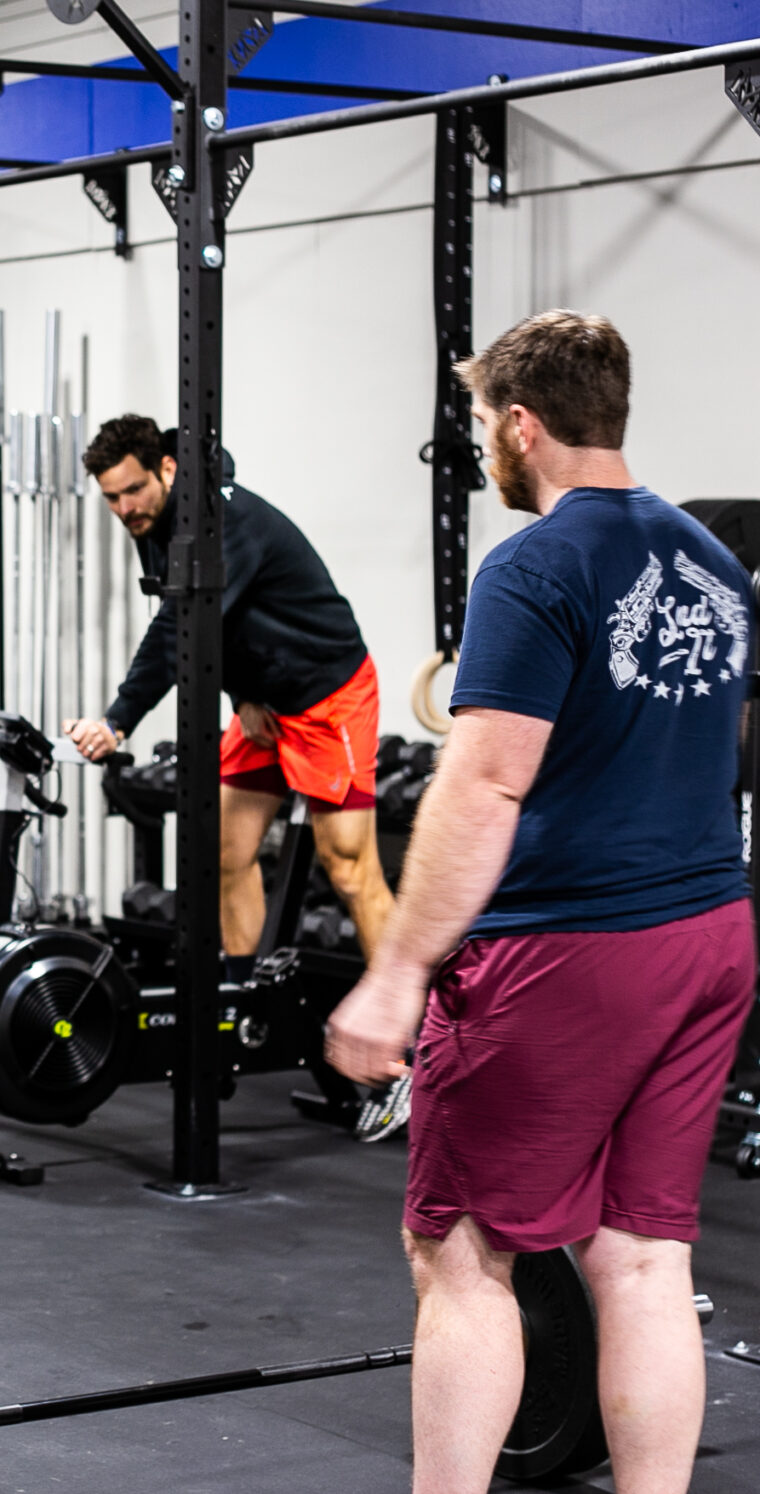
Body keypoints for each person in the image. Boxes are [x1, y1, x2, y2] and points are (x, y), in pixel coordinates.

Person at [325, 310, 755, 1494]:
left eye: (478, 425)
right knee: (642, 1257)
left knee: (460, 1249)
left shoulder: (534, 562)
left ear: (521, 424)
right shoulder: (711, 561)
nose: (482, 450)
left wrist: (397, 971)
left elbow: (484, 782)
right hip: (709, 933)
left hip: (571, 949)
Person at [63, 416, 399, 1128]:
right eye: (111, 499)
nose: (125, 510)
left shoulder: (223, 519)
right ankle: (240, 1013)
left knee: (350, 870)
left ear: (166, 468)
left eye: (132, 491)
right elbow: (215, 624)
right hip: (266, 702)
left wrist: (117, 718)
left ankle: (412, 1054)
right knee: (222, 852)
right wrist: (241, 694)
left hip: (328, 695)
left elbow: (180, 632)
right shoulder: (159, 525)